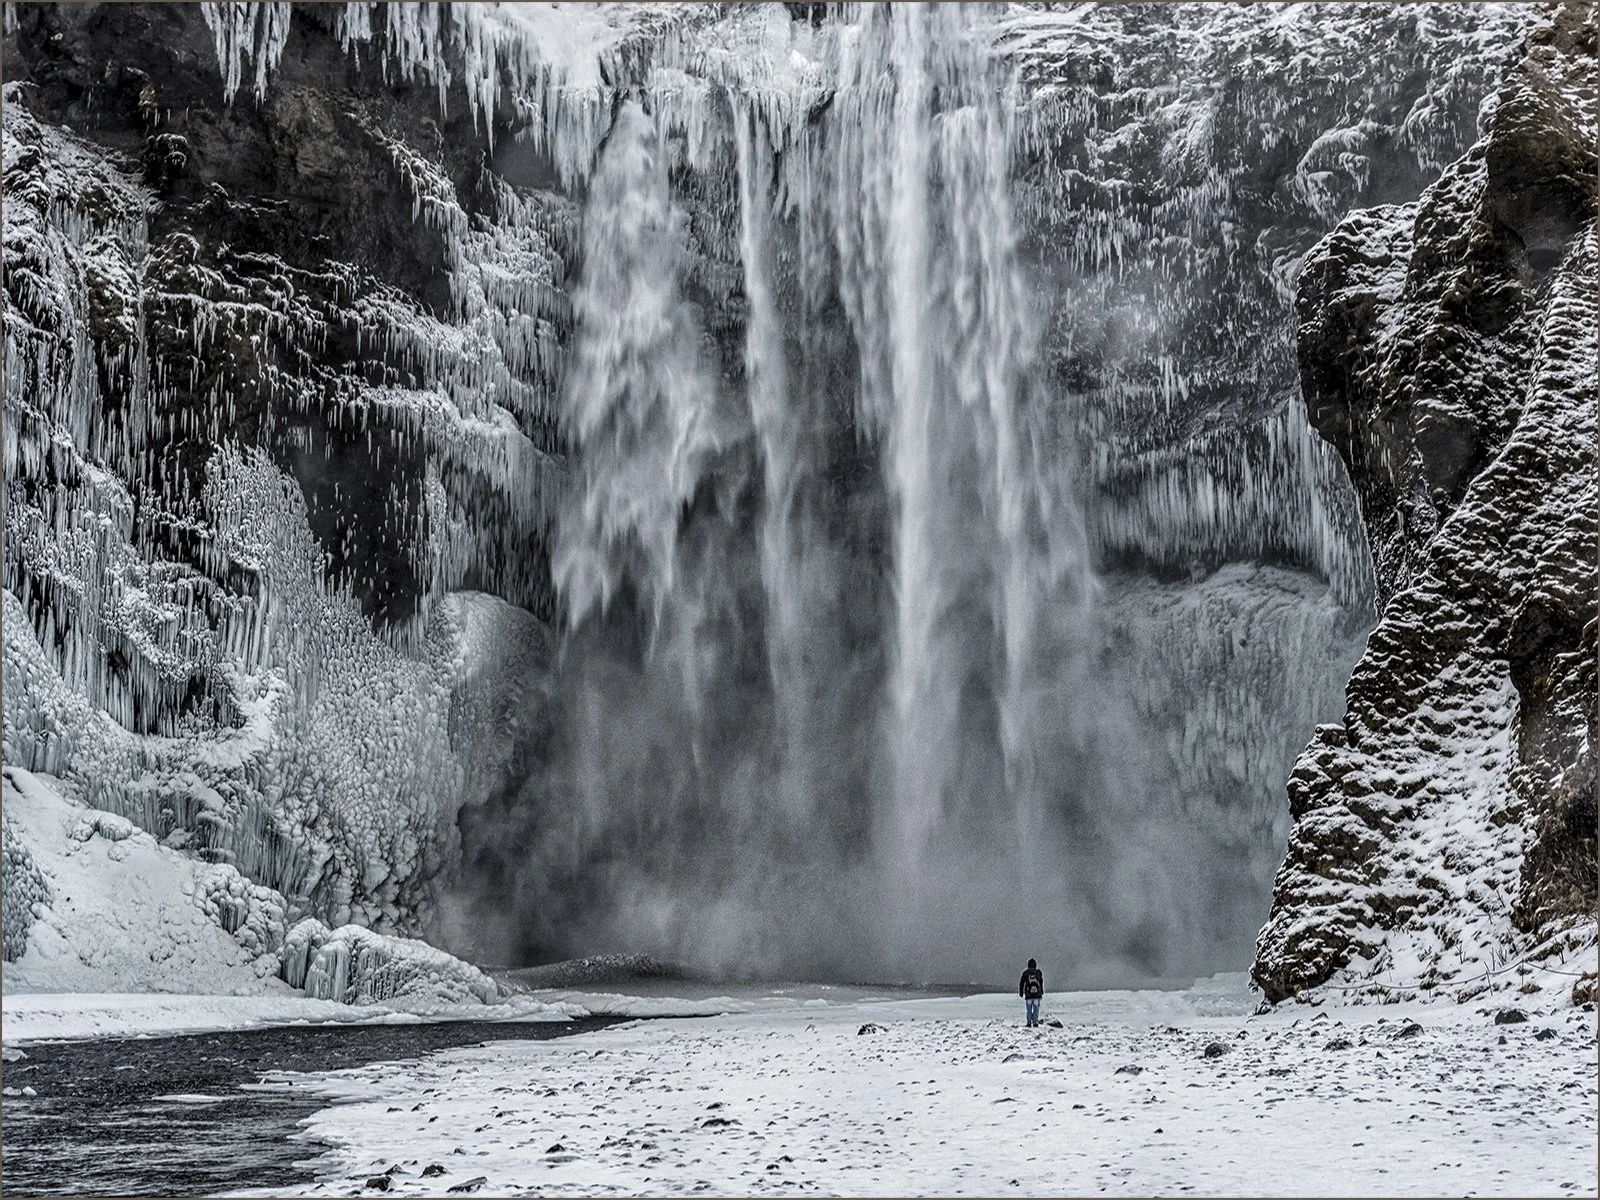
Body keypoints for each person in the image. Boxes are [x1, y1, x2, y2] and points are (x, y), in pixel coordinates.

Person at [1019, 958, 1044, 1027]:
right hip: (1037, 995)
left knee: (1029, 1009)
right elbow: (1041, 982)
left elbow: (1021, 983)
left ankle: (1029, 1023)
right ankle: (1035, 1022)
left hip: (1028, 995)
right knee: (1036, 1009)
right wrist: (1041, 991)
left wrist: (1021, 992)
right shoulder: (1038, 972)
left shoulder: (1025, 973)